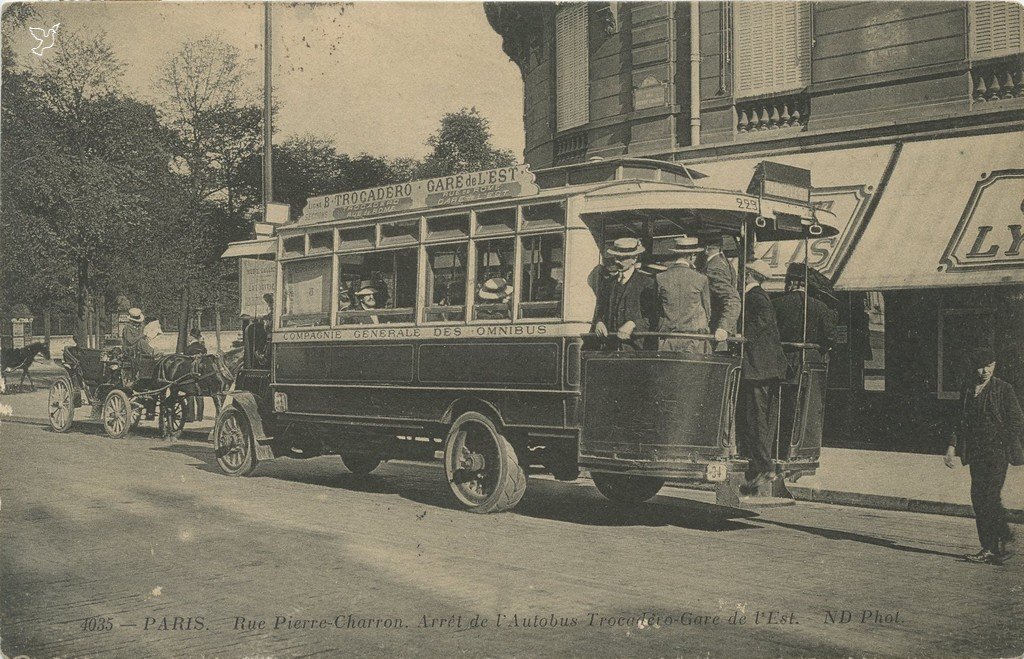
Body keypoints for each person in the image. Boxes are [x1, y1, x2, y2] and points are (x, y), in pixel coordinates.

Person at [944, 347, 1024, 564]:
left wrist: (1000, 443)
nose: (985, 370)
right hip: (976, 454)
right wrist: (952, 447)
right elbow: (959, 422)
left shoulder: (1003, 390)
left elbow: (1017, 421)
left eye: (990, 365)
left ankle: (996, 543)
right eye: (981, 366)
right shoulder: (968, 389)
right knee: (980, 497)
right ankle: (993, 545)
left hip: (997, 454)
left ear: (995, 365)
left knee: (988, 495)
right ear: (973, 366)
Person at [737, 259, 788, 493]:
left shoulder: (755, 297)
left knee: (756, 417)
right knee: (760, 417)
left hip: (759, 368)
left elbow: (761, 325)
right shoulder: (759, 295)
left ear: (748, 274)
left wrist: (740, 334)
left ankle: (764, 465)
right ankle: (762, 463)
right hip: (764, 367)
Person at [773, 263, 838, 443]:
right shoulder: (820, 307)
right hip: (811, 361)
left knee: (784, 403)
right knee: (807, 404)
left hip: (784, 359)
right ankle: (803, 444)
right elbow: (830, 338)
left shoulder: (777, 304)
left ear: (793, 282)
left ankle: (781, 443)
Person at [592, 237, 658, 352]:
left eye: (622, 258)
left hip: (635, 349)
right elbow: (600, 310)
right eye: (616, 257)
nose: (617, 261)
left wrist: (633, 324)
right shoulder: (608, 283)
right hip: (609, 349)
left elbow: (653, 316)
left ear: (634, 258)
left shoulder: (647, 283)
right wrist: (599, 322)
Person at [655, 235, 711, 354]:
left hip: (667, 340)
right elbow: (707, 311)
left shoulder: (660, 277)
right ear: (692, 256)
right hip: (694, 341)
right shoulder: (701, 279)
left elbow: (657, 308)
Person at [701, 233, 741, 350]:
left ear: (706, 248)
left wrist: (723, 327)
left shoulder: (714, 267)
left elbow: (731, 298)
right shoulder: (725, 262)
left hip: (716, 329)